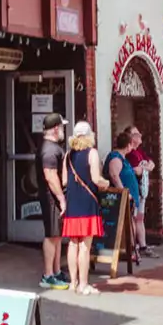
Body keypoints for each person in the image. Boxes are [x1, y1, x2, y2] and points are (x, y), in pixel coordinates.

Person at [61, 121, 110, 295]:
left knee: (73, 244)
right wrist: (107, 182)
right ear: (90, 135)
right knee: (85, 246)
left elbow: (65, 181)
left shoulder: (68, 155)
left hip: (73, 203)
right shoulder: (92, 153)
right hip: (88, 203)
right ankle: (83, 284)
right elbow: (96, 179)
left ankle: (73, 283)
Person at [37, 113, 69, 290]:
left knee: (57, 235)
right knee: (51, 235)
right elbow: (50, 176)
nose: (63, 130)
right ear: (56, 128)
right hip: (51, 198)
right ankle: (48, 275)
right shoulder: (49, 150)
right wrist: (61, 198)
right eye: (62, 127)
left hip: (53, 198)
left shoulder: (52, 147)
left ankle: (56, 272)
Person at [104, 131, 144, 266]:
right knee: (126, 224)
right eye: (131, 144)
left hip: (131, 198)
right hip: (122, 199)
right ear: (127, 145)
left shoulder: (122, 158)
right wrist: (124, 193)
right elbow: (114, 176)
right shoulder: (116, 157)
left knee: (131, 222)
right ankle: (128, 250)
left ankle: (130, 250)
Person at [125, 127, 159, 258]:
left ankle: (143, 245)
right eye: (136, 134)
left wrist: (144, 166)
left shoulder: (139, 152)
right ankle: (133, 247)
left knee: (140, 217)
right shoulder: (129, 153)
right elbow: (136, 170)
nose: (140, 136)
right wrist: (144, 167)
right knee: (134, 218)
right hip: (134, 189)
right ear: (130, 137)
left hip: (142, 190)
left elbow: (151, 164)